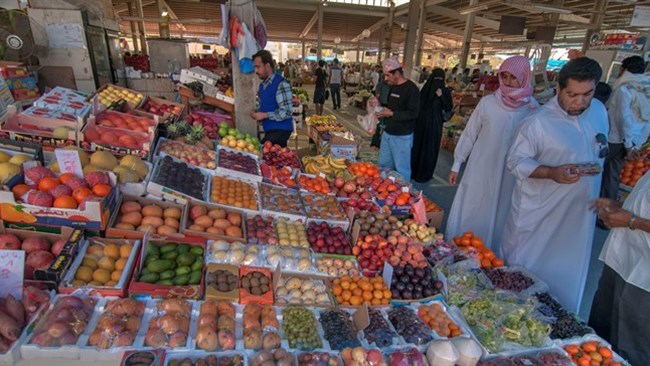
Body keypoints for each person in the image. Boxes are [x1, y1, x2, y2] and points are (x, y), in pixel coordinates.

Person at [501, 57, 608, 313]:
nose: (579, 102)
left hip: (579, 214)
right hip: (539, 214)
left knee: (568, 274)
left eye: (587, 94)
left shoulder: (599, 112)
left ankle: (560, 321)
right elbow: (515, 162)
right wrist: (551, 172)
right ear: (558, 88)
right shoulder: (537, 122)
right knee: (524, 274)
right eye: (572, 94)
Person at [446, 56, 538, 250]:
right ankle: (460, 247)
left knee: (502, 211)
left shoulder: (532, 108)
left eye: (513, 77)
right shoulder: (488, 103)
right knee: (473, 205)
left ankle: (491, 254)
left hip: (511, 173)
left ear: (523, 77)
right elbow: (470, 134)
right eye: (504, 76)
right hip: (481, 166)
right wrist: (457, 163)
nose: (508, 82)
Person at [589, 173, 650, 366]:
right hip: (620, 261)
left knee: (631, 348)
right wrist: (620, 209)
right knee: (597, 339)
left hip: (643, 280)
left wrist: (632, 221)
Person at [601, 56, 650, 202]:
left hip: (614, 139)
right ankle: (605, 212)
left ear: (623, 70)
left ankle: (591, 208)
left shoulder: (624, 88)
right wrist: (636, 144)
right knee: (612, 175)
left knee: (596, 172)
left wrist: (629, 144)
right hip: (631, 142)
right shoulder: (646, 90)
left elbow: (623, 118)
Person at [375, 58, 420, 181]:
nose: (386, 78)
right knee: (383, 166)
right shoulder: (393, 87)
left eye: (388, 75)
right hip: (388, 133)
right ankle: (382, 188)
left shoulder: (411, 89)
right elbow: (390, 108)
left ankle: (403, 193)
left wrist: (391, 114)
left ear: (397, 73)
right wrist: (378, 106)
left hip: (402, 136)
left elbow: (413, 113)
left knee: (402, 169)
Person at [411, 68, 453, 183]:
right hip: (425, 124)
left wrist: (441, 96)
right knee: (420, 147)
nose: (437, 82)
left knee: (428, 148)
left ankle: (423, 173)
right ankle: (416, 172)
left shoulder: (443, 91)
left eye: (439, 79)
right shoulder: (425, 89)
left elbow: (449, 107)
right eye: (436, 79)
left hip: (431, 124)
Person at [250, 50, 293, 147]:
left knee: (261, 152)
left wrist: (264, 115)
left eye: (258, 67)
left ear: (267, 66)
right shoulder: (263, 86)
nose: (256, 71)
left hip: (281, 131)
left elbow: (286, 112)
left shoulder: (281, 84)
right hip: (270, 130)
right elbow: (267, 105)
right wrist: (257, 112)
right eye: (255, 67)